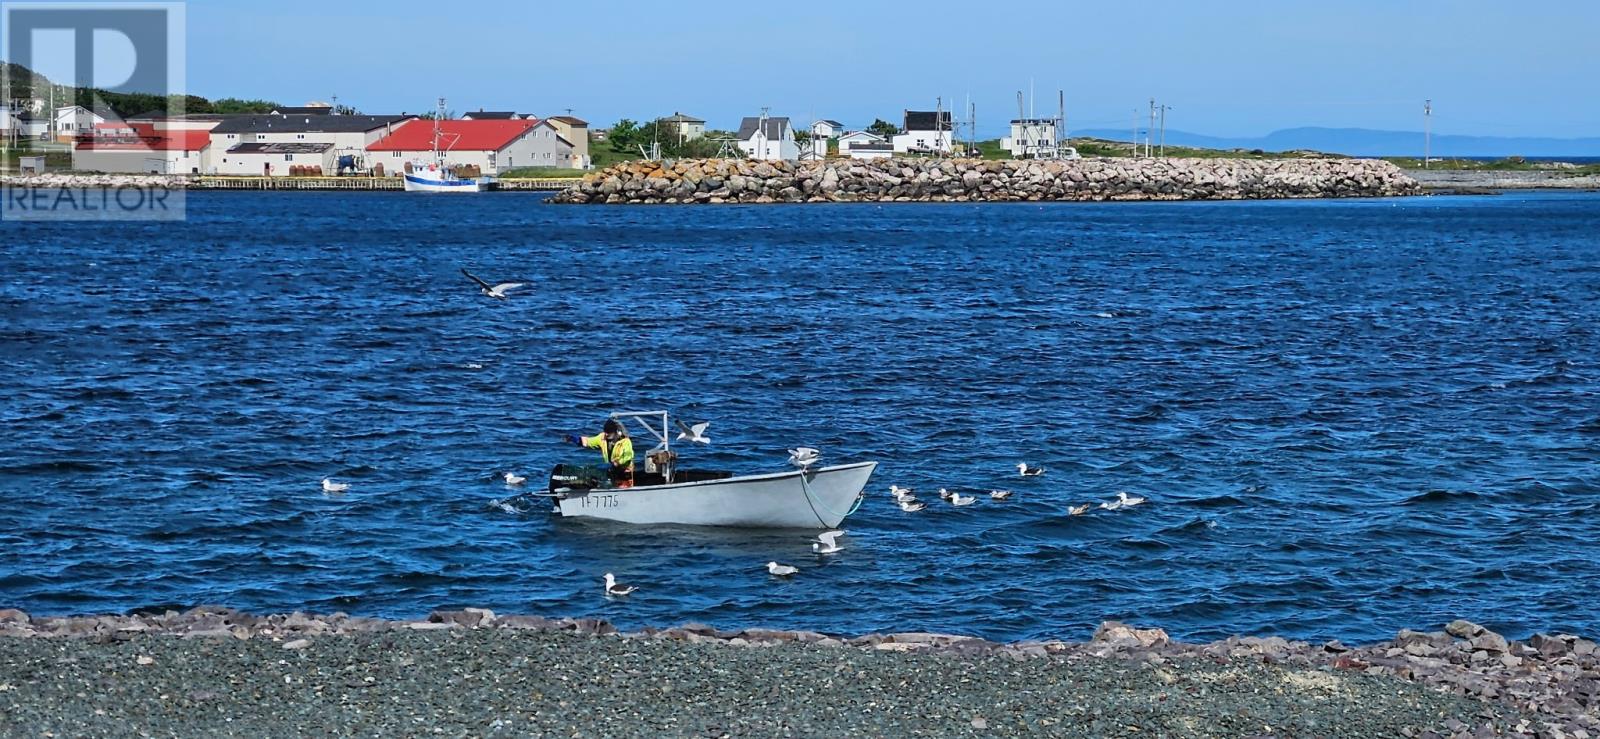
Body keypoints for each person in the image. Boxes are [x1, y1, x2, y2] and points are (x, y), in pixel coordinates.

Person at [565, 419, 635, 488]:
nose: (607, 434)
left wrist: (618, 462)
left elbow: (628, 456)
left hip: (624, 474)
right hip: (612, 471)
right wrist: (574, 439)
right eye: (606, 432)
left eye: (609, 432)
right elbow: (589, 442)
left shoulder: (625, 442)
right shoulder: (602, 438)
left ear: (616, 432)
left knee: (622, 486)